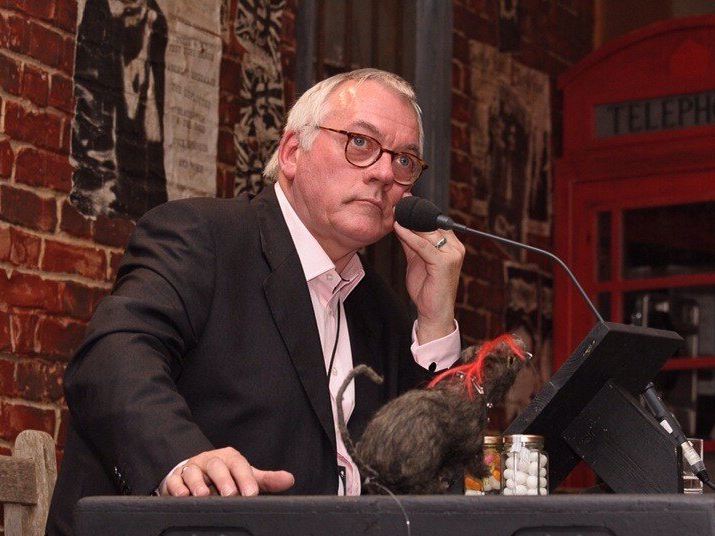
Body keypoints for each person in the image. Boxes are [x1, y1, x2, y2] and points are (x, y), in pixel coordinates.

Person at [46, 69, 465, 535]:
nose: (385, 173)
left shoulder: (378, 306)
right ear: (291, 154)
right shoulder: (203, 236)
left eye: (405, 160)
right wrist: (183, 457)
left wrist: (434, 322)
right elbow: (110, 359)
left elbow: (428, 476)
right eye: (360, 143)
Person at [70, 0, 168, 219]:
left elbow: (153, 128)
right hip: (106, 187)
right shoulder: (100, 14)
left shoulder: (153, 18)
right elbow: (90, 105)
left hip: (140, 193)